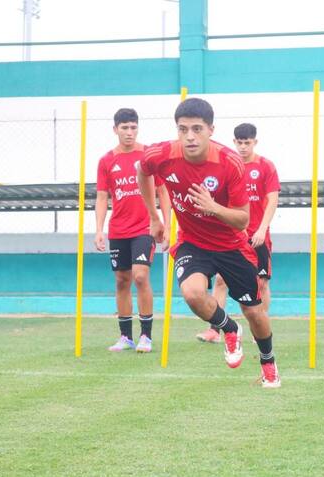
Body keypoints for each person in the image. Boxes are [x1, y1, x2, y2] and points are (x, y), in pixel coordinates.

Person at [136, 98, 280, 388]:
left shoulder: (230, 164)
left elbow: (242, 219)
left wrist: (212, 207)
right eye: (183, 129)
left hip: (231, 244)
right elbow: (143, 171)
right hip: (192, 242)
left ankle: (269, 363)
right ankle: (228, 327)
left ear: (211, 130)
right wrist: (154, 217)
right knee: (192, 293)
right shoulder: (161, 154)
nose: (190, 136)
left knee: (254, 311)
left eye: (197, 129)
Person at [197, 123, 281, 344]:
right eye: (239, 142)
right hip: (232, 236)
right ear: (234, 142)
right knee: (221, 281)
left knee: (261, 282)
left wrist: (262, 229)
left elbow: (272, 199)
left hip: (258, 235)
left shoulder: (265, 166)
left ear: (255, 142)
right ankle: (215, 330)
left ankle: (260, 328)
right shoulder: (228, 166)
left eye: (247, 143)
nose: (243, 147)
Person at [95, 108, 170, 353]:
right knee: (121, 280)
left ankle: (145, 336)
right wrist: (98, 230)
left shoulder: (148, 155)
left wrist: (166, 223)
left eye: (133, 127)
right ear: (115, 129)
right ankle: (125, 337)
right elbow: (102, 197)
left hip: (144, 227)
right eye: (124, 127)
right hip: (118, 229)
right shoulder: (107, 160)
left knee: (140, 276)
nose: (129, 132)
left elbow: (162, 191)